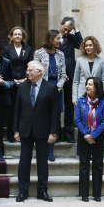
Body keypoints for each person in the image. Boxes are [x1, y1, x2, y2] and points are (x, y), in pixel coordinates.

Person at [14, 61, 60, 203]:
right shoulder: (22, 87)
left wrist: (53, 132)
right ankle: (23, 192)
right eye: (27, 70)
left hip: (43, 131)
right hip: (25, 130)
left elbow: (55, 113)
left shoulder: (51, 87)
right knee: (24, 162)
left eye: (30, 70)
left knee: (42, 162)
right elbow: (17, 110)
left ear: (39, 71)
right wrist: (16, 130)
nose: (27, 72)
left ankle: (42, 191)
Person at [75, 77, 104, 202]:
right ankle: (84, 194)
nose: (87, 86)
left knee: (97, 164)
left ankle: (97, 194)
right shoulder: (81, 101)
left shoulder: (103, 102)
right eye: (87, 84)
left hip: (98, 137)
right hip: (84, 136)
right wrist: (87, 135)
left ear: (97, 87)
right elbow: (77, 120)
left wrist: (93, 136)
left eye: (90, 84)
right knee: (84, 164)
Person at [34, 30, 66, 161]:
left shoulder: (61, 54)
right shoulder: (39, 53)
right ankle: (42, 149)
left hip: (57, 89)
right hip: (42, 89)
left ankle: (51, 150)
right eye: (58, 38)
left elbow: (64, 75)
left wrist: (58, 86)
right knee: (42, 118)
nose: (60, 41)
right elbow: (35, 72)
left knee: (54, 119)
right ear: (51, 39)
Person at [2, 26, 33, 142]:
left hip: (25, 83)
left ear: (23, 36)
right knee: (12, 109)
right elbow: (5, 65)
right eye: (15, 34)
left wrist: (25, 79)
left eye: (19, 34)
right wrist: (13, 80)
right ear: (11, 36)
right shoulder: (6, 49)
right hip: (11, 83)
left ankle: (23, 132)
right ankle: (11, 133)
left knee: (24, 108)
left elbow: (30, 65)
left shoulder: (28, 49)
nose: (17, 36)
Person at [58, 17, 83, 142]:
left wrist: (77, 29)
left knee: (69, 104)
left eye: (69, 30)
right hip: (56, 76)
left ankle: (68, 132)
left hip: (70, 75)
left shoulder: (72, 38)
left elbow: (81, 45)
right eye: (65, 29)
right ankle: (56, 132)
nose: (66, 32)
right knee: (56, 104)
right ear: (60, 24)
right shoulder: (54, 35)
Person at [72, 36, 104, 105]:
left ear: (95, 46)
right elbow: (76, 81)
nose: (88, 47)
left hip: (97, 96)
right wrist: (74, 98)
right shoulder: (79, 60)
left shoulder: (101, 61)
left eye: (90, 45)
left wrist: (103, 96)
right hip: (82, 95)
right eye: (86, 46)